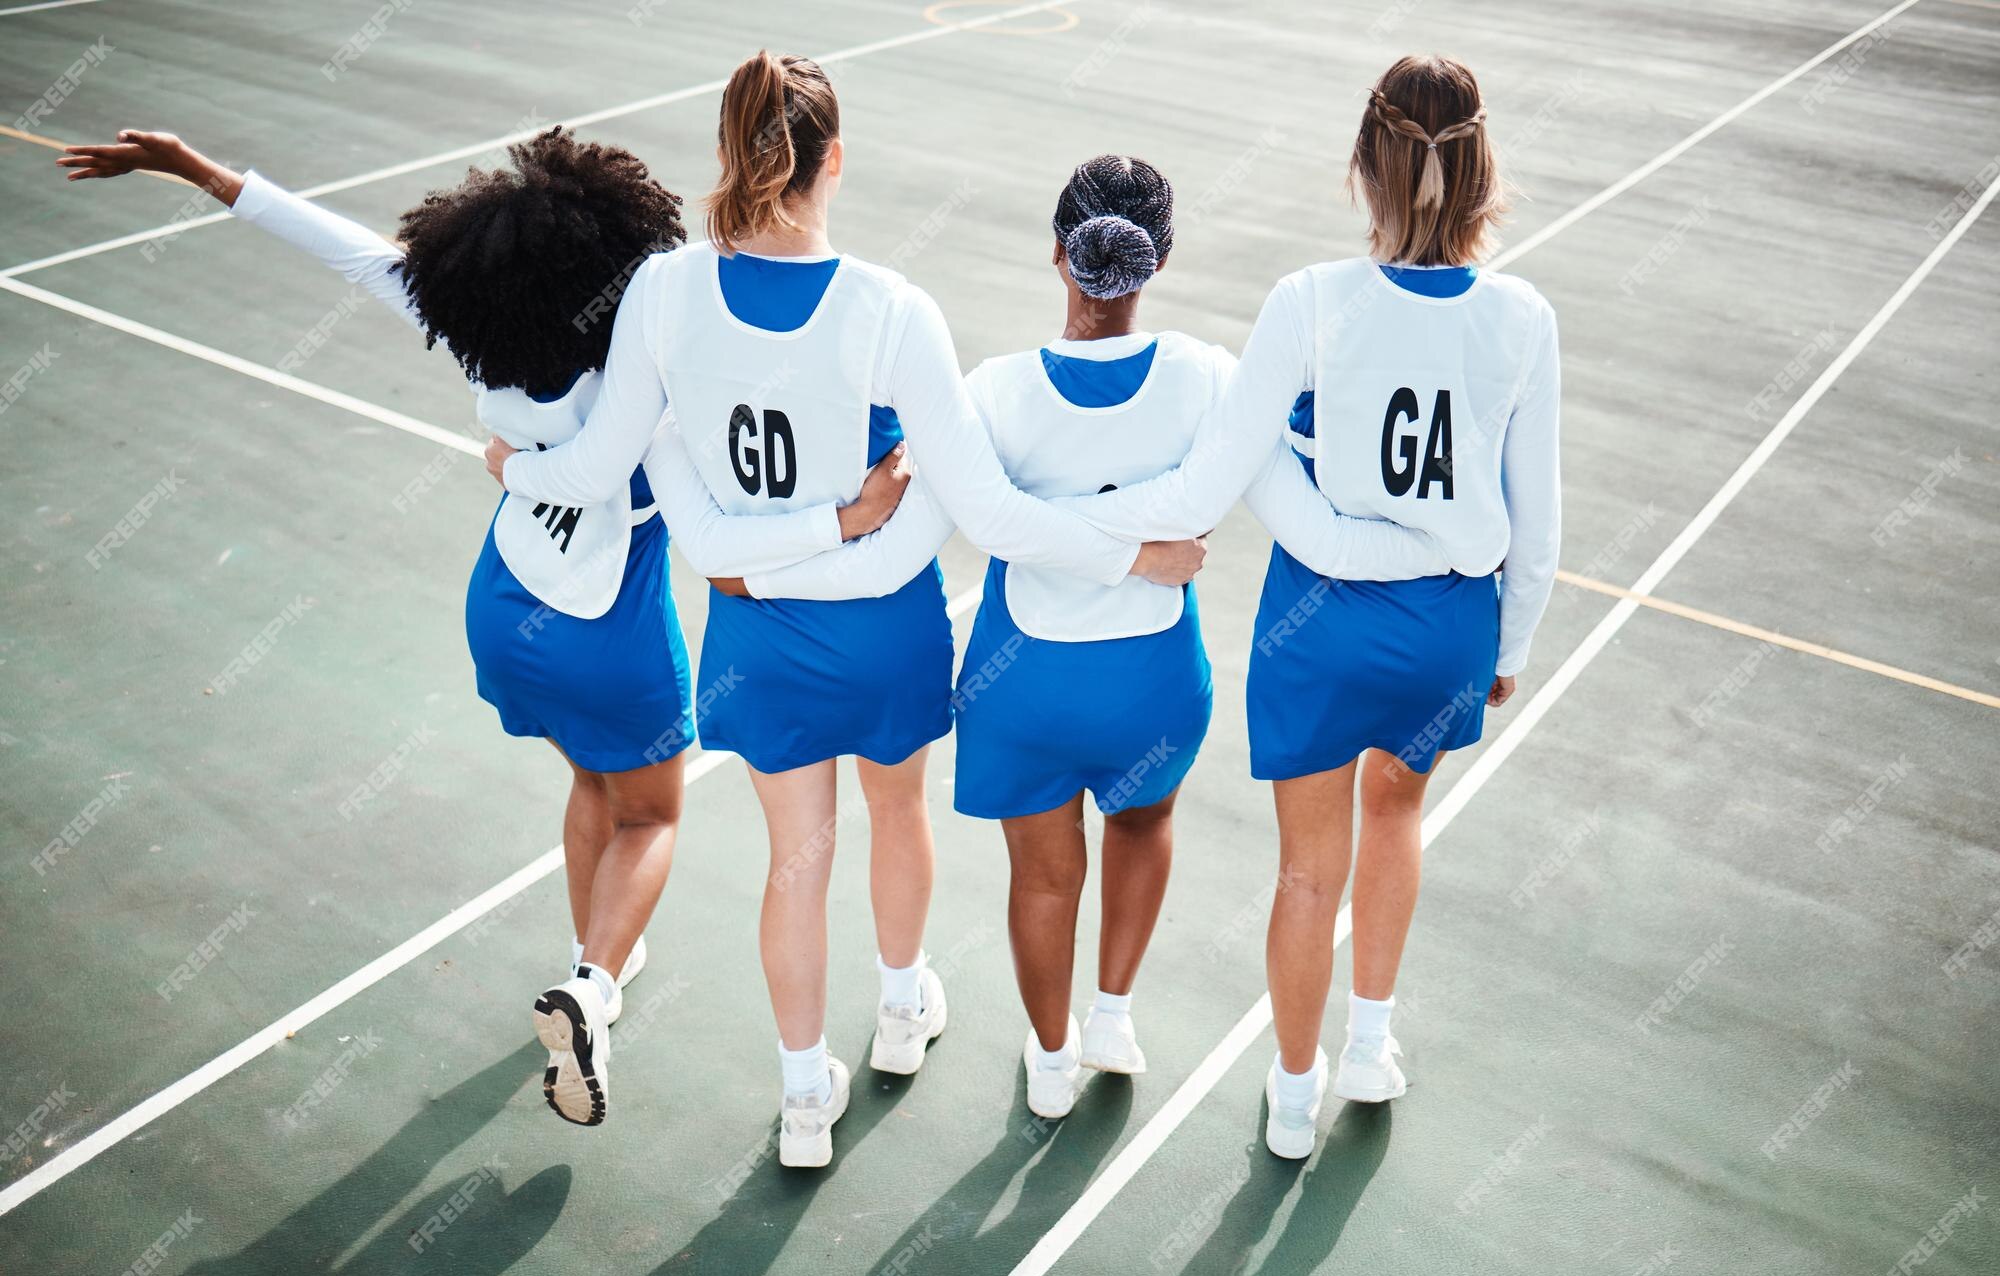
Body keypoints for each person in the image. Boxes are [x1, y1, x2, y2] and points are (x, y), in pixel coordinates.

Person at [58, 127, 909, 1128]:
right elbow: (725, 515)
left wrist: (201, 171)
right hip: (609, 634)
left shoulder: (478, 335)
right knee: (652, 813)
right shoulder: (646, 375)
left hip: (503, 610)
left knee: (595, 777)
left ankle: (603, 951)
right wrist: (843, 522)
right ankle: (592, 987)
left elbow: (348, 250)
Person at [489, 53, 1206, 1166]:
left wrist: (509, 465)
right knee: (898, 813)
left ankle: (799, 1101)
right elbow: (981, 513)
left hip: (758, 637)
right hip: (884, 624)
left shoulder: (664, 292)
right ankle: (902, 1006)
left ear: (730, 153)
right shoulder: (892, 308)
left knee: (794, 862)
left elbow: (596, 470)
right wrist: (1132, 553)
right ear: (832, 160)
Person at [746, 154, 1447, 1120]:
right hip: (1152, 678)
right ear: (1156, 261)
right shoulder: (1209, 378)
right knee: (1144, 825)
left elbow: (922, 541)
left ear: (1056, 254)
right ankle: (1113, 1011)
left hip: (1021, 680)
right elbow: (1292, 498)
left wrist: (764, 562)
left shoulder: (990, 391)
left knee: (1041, 875)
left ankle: (1048, 1055)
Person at [1054, 56, 1561, 1158]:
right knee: (1397, 814)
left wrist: (1063, 512)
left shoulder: (1311, 301)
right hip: (1445, 624)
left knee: (1302, 866)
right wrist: (1507, 646)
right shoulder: (1522, 315)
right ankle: (1370, 1041)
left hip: (1316, 627)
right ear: (1481, 171)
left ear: (1363, 169)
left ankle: (1292, 1092)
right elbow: (1540, 517)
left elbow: (1208, 484)